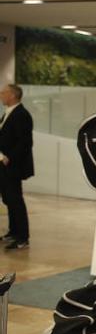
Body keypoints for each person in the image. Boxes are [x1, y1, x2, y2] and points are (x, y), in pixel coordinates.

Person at [0, 84, 34, 250]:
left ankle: (22, 237)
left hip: (13, 166)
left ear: (12, 95)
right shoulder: (8, 113)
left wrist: (9, 157)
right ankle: (13, 232)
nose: (1, 95)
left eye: (3, 93)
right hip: (4, 166)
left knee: (15, 200)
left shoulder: (21, 114)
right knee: (9, 199)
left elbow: (25, 142)